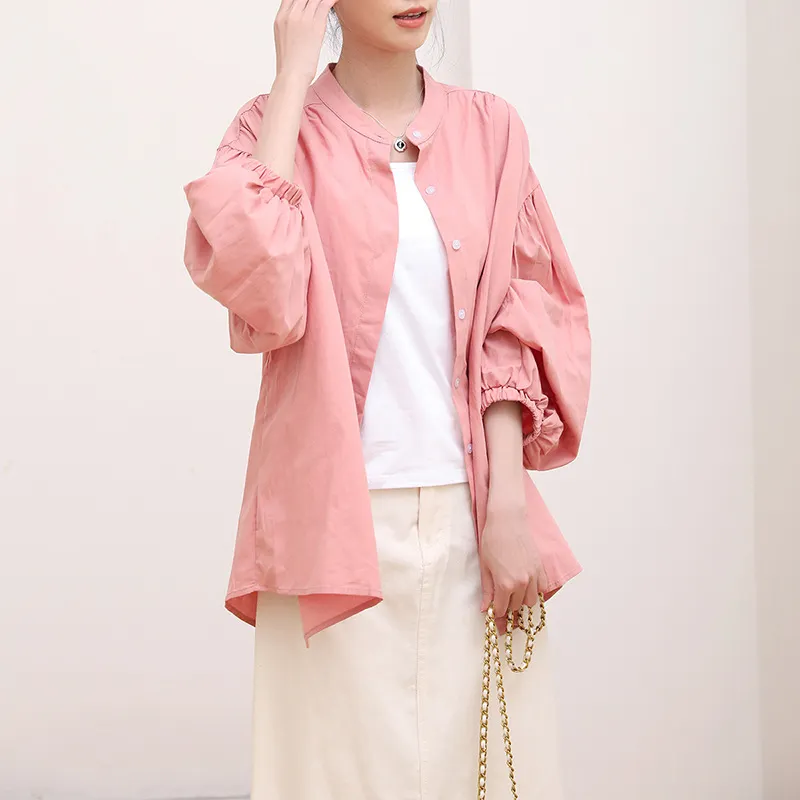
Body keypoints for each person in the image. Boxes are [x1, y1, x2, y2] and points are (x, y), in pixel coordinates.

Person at [182, 1, 591, 798]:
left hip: (476, 523)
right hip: (329, 533)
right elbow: (263, 295)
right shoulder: (269, 129)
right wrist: (292, 78)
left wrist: (507, 504)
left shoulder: (491, 131)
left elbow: (514, 321)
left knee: (487, 776)